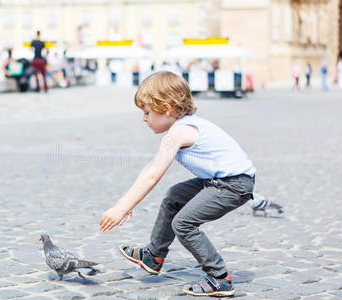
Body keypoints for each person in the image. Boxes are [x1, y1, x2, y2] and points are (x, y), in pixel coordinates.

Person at [100, 71, 255, 297]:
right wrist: (126, 202)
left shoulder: (179, 132)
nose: (144, 118)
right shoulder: (183, 127)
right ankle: (154, 255)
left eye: (147, 112)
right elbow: (151, 168)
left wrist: (121, 208)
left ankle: (220, 278)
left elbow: (154, 174)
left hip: (234, 185)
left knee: (183, 223)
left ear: (167, 108)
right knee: (175, 195)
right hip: (218, 180)